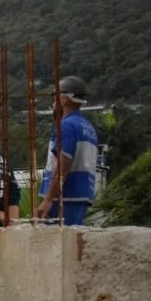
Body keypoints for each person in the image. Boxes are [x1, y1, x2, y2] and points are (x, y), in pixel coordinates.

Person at [37, 75, 99, 225]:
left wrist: (48, 199)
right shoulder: (88, 128)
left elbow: (63, 164)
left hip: (63, 198)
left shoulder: (66, 126)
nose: (53, 104)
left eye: (55, 99)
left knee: (55, 244)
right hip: (81, 196)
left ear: (63, 100)